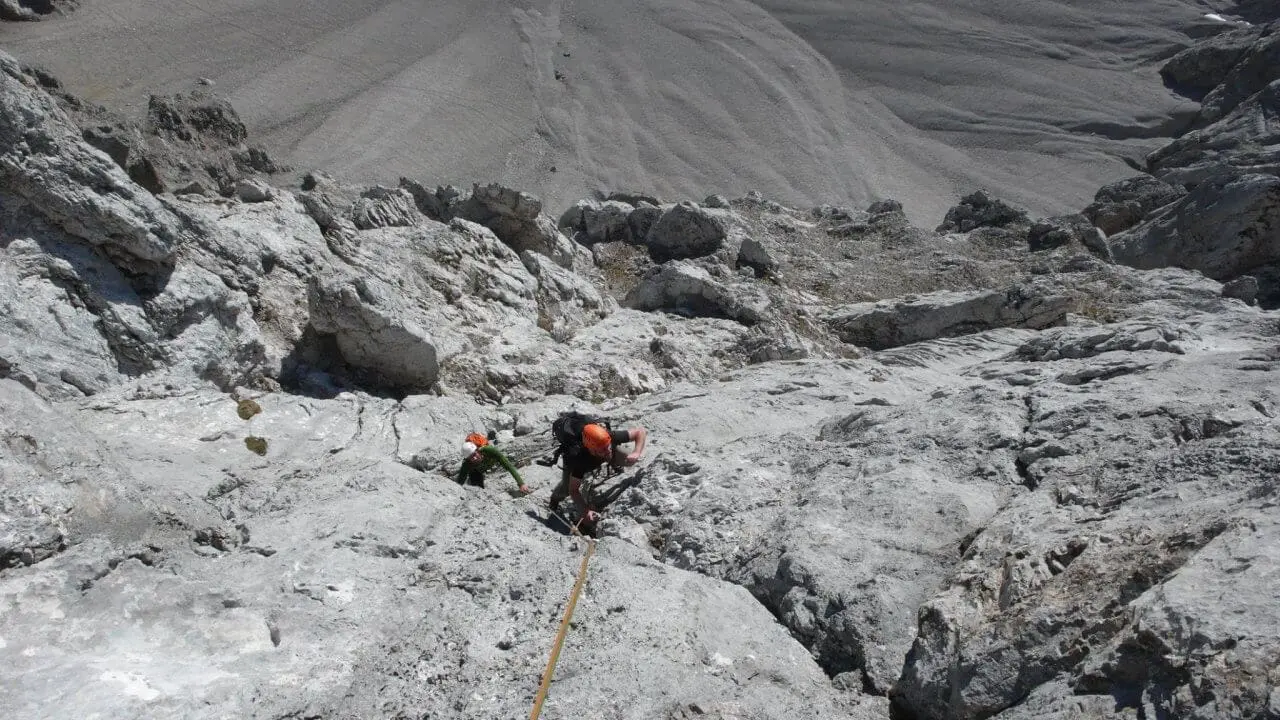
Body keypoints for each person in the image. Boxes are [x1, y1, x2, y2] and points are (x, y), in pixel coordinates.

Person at [548, 422, 647, 529]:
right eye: (602, 450)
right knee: (565, 488)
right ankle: (553, 501)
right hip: (581, 463)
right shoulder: (580, 460)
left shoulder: (608, 437)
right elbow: (573, 490)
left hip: (599, 451)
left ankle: (614, 464)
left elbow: (639, 432)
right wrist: (585, 510)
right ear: (591, 450)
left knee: (629, 460)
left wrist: (636, 452)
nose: (607, 450)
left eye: (607, 446)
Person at [456, 432, 530, 494]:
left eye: (474, 454)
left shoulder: (489, 450)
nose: (474, 458)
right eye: (471, 457)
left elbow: (508, 465)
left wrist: (521, 484)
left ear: (478, 450)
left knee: (508, 458)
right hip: (483, 467)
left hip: (493, 461)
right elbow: (460, 480)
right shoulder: (466, 463)